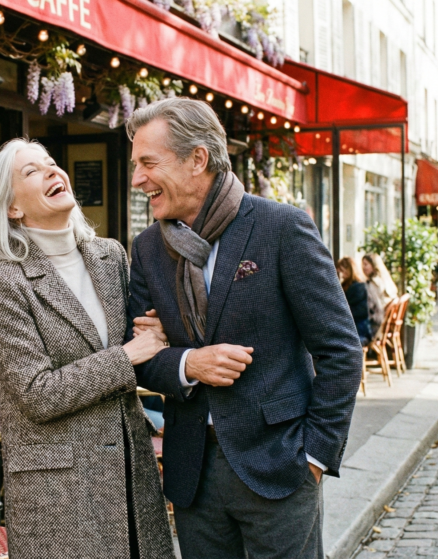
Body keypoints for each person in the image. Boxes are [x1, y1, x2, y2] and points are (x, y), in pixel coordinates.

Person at [125, 98, 362, 559]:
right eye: (136, 165)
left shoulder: (281, 227)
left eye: (148, 163)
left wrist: (314, 456)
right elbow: (139, 358)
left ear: (198, 159)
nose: (137, 180)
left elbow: (340, 351)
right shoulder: (149, 248)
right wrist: (189, 363)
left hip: (281, 466)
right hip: (193, 473)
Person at [0, 138, 175, 558]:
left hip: (129, 471)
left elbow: (143, 334)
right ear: (12, 208)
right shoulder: (4, 280)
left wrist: (157, 330)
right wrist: (128, 355)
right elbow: (36, 393)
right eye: (31, 171)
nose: (52, 171)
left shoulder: (111, 256)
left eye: (50, 163)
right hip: (60, 490)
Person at [337, 257, 373, 346]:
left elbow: (349, 310)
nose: (340, 274)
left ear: (349, 269)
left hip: (359, 330)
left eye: (342, 270)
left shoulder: (358, 287)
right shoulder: (348, 285)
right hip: (355, 326)